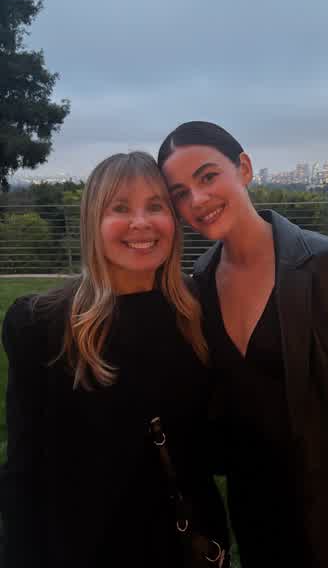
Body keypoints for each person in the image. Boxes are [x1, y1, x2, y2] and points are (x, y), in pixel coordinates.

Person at [158, 121, 328, 568]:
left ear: (244, 168)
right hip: (256, 516)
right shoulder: (200, 282)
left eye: (208, 177)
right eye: (180, 193)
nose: (198, 200)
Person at [0, 151, 228, 568]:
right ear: (93, 222)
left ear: (173, 221)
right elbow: (24, 468)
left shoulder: (200, 311)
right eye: (119, 208)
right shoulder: (40, 325)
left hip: (183, 545)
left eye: (155, 206)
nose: (140, 222)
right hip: (85, 548)